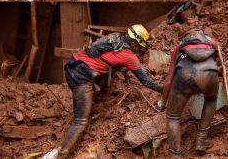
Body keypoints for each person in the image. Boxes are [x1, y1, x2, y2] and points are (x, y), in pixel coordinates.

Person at [43, 24, 163, 159]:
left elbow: (107, 62)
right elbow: (146, 82)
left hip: (72, 66)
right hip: (81, 78)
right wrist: (166, 89)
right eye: (140, 46)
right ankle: (61, 154)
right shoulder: (129, 57)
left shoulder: (114, 40)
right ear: (135, 43)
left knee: (108, 71)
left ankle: (94, 88)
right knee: (80, 121)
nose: (139, 49)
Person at [155, 28, 221, 158]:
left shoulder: (179, 47)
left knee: (173, 117)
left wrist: (162, 101)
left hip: (184, 76)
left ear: (186, 37)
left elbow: (169, 80)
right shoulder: (211, 42)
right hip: (209, 75)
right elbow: (220, 61)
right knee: (211, 100)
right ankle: (201, 141)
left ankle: (175, 155)